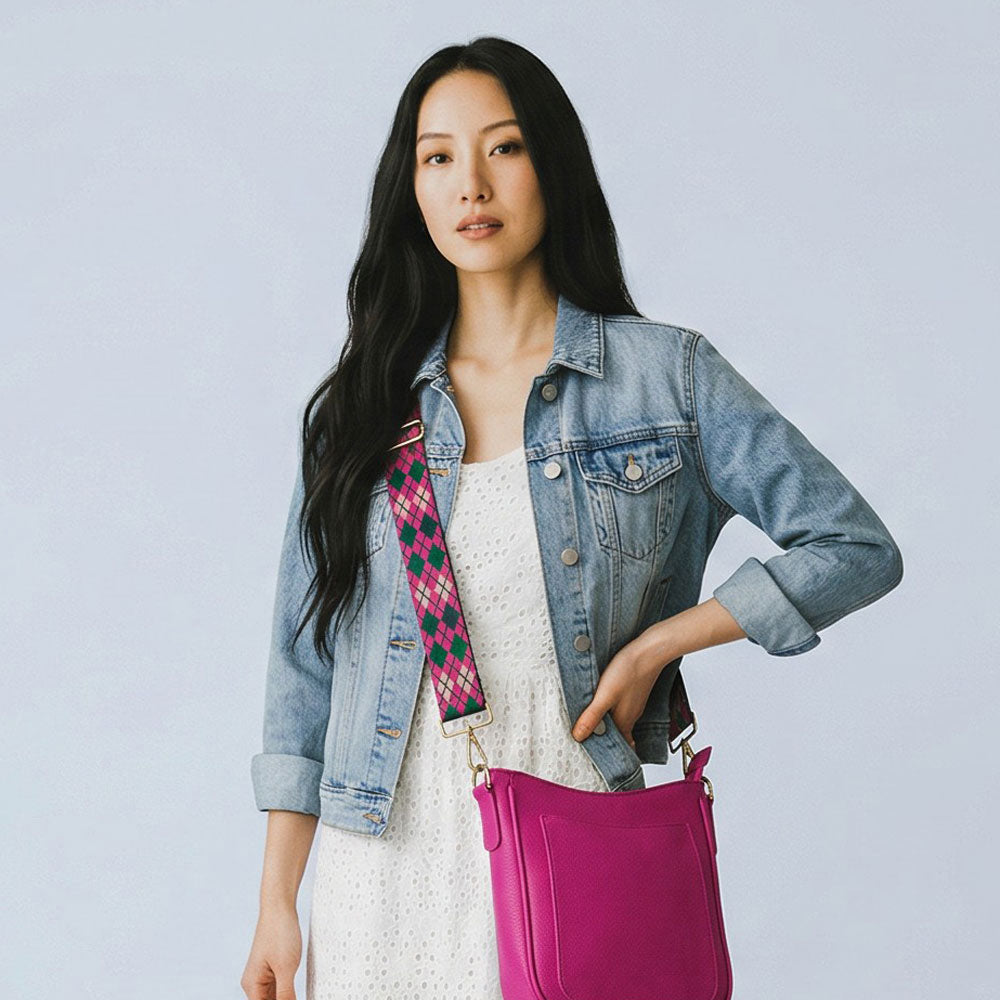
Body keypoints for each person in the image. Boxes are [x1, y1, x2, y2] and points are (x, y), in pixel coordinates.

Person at [241, 36, 903, 1000]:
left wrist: (661, 645)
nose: (471, 183)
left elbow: (854, 546)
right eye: (438, 157)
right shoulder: (360, 412)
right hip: (379, 864)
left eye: (503, 148)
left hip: (576, 845)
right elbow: (304, 672)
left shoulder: (664, 379)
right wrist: (275, 906)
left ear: (552, 165)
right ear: (412, 190)